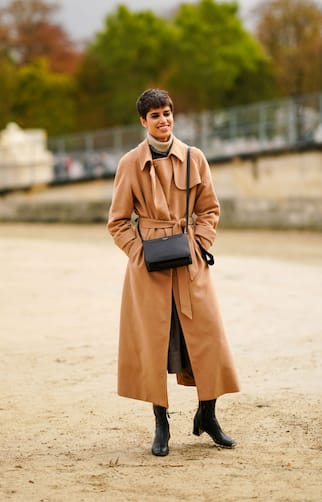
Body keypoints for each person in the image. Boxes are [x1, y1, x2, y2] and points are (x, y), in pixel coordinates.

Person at [107, 89, 240, 456]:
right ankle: (161, 425)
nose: (163, 120)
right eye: (155, 116)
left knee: (206, 340)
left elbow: (210, 209)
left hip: (190, 263)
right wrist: (139, 253)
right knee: (156, 347)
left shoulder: (194, 158)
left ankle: (207, 416)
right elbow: (117, 222)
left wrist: (199, 245)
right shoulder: (129, 164)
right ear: (143, 122)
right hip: (148, 270)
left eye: (167, 113)